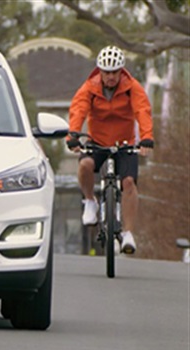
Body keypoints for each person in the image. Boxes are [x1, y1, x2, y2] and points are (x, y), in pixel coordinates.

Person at [66, 45, 154, 254]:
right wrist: (73, 136)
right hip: (97, 141)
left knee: (129, 183)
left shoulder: (132, 87)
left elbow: (142, 110)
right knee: (85, 165)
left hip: (124, 144)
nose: (111, 77)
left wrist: (147, 138)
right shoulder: (90, 88)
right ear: (100, 71)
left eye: (115, 72)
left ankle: (128, 233)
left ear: (121, 71)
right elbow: (78, 110)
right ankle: (89, 201)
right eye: (107, 72)